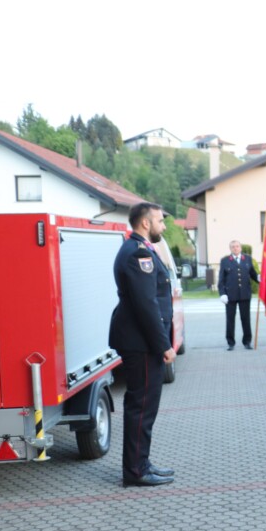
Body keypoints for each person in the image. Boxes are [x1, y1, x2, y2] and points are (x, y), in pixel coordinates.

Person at [109, 202, 176, 487]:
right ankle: (136, 471)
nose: (163, 226)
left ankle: (141, 463)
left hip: (140, 340)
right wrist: (164, 345)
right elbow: (146, 306)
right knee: (141, 407)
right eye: (160, 221)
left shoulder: (139, 249)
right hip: (142, 342)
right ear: (145, 223)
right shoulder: (138, 253)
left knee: (144, 407)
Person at [217, 239, 259, 350]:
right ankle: (230, 342)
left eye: (237, 246)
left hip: (245, 294)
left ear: (240, 248)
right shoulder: (225, 261)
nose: (235, 248)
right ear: (230, 248)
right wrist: (222, 294)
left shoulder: (247, 259)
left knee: (246, 319)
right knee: (230, 319)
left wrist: (260, 278)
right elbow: (221, 279)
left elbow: (253, 274)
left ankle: (247, 341)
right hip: (230, 295)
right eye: (233, 247)